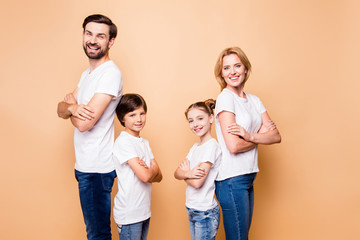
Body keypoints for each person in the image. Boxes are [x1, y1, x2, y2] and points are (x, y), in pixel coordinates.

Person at [57, 14, 122, 240]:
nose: (93, 40)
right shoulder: (87, 74)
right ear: (83, 35)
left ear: (110, 41)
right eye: (89, 33)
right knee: (95, 232)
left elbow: (84, 125)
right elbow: (60, 108)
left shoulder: (110, 74)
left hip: (96, 169)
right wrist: (73, 108)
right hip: (84, 166)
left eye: (100, 36)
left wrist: (72, 109)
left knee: (98, 234)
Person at [213, 46, 281, 240]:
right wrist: (260, 135)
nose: (232, 72)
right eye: (226, 68)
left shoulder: (254, 100)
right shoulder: (225, 98)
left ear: (245, 69)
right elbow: (233, 146)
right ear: (221, 74)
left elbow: (276, 136)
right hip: (232, 180)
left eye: (237, 66)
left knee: (242, 236)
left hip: (248, 176)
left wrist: (249, 136)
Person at [113, 93, 162, 240]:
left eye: (142, 113)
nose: (139, 119)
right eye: (132, 115)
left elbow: (159, 177)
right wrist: (152, 168)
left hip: (143, 211)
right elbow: (147, 176)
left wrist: (151, 170)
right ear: (122, 118)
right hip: (130, 214)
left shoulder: (144, 143)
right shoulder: (123, 142)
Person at [174, 99, 222, 240]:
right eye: (191, 120)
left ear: (211, 118)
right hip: (192, 209)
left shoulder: (212, 146)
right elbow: (176, 173)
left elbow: (197, 183)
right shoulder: (195, 147)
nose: (195, 124)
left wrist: (185, 175)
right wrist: (188, 173)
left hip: (205, 212)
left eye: (200, 118)